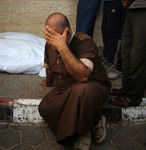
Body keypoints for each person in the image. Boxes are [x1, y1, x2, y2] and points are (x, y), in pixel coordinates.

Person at [38, 12, 111, 150]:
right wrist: (48, 82)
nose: (50, 41)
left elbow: (82, 77)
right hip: (66, 90)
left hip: (93, 87)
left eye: (54, 36)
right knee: (44, 108)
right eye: (48, 35)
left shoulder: (84, 41)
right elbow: (49, 67)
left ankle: (85, 132)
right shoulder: (49, 45)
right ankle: (96, 119)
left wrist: (62, 47)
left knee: (81, 90)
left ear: (66, 33)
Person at [109, 0, 146, 107]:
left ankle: (134, 96)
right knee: (126, 52)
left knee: (139, 54)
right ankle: (127, 88)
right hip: (131, 7)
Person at [101, 0, 124, 73]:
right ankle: (106, 56)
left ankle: (110, 60)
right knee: (105, 30)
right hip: (107, 1)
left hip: (116, 2)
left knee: (112, 31)